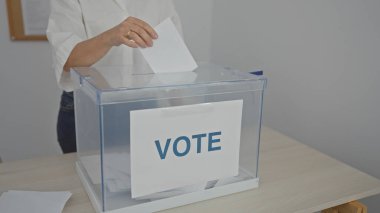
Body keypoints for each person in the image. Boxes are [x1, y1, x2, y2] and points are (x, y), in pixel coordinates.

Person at [47, 0, 183, 153]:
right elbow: (69, 59)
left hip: (146, 105)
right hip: (89, 107)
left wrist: (184, 118)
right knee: (83, 173)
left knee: (146, 172)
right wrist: (110, 37)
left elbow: (174, 65)